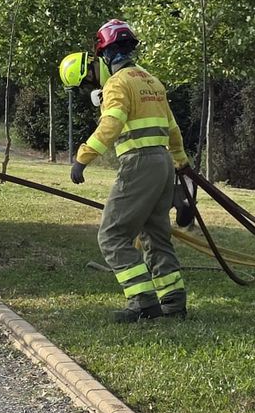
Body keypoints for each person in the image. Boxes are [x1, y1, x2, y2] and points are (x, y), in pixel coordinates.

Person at [63, 20, 192, 323]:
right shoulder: (152, 81)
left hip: (139, 163)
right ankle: (174, 302)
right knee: (156, 235)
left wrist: (83, 157)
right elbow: (173, 129)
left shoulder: (118, 84)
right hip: (162, 164)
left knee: (112, 235)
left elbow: (112, 123)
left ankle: (143, 302)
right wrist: (181, 163)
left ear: (105, 54)